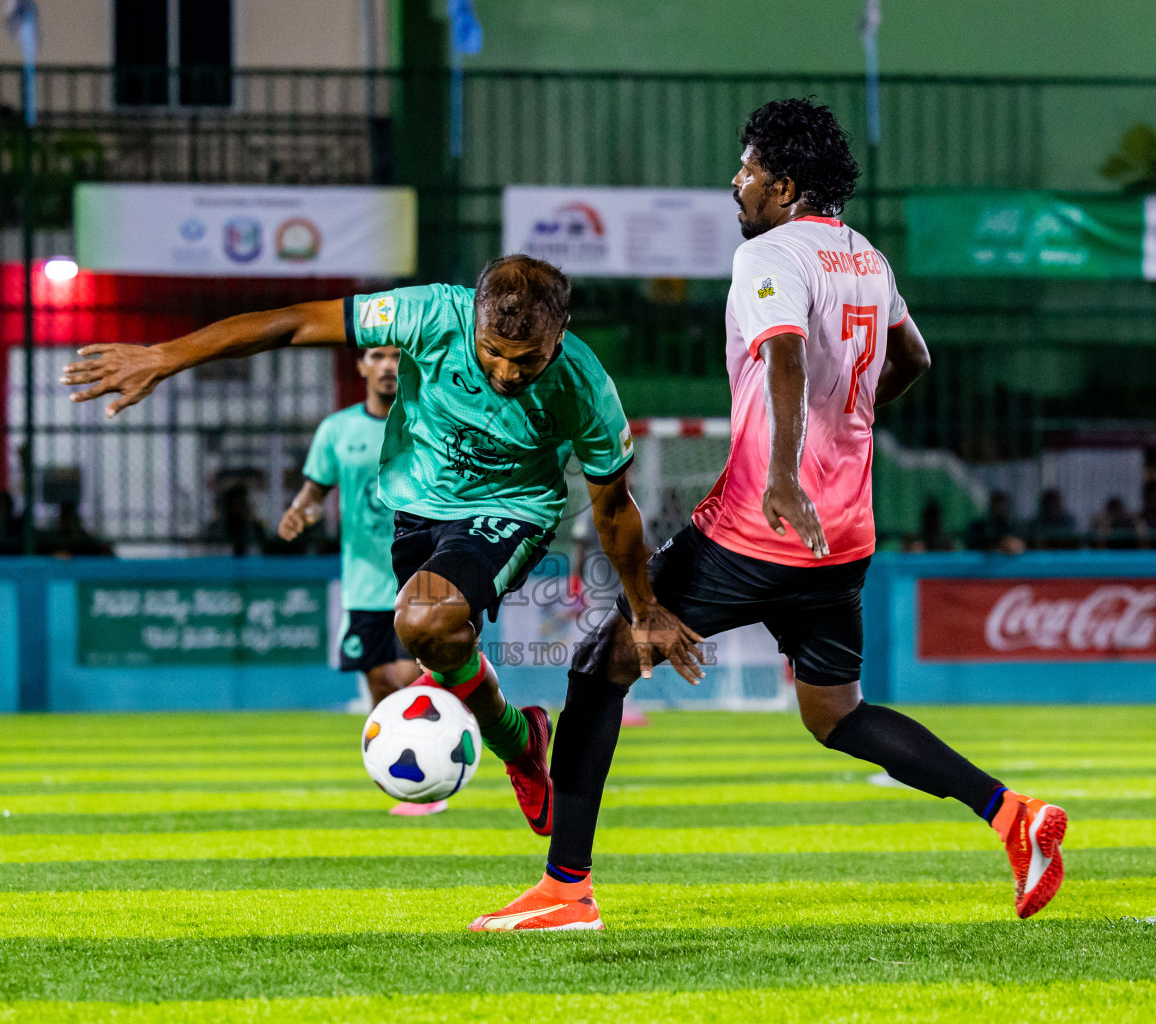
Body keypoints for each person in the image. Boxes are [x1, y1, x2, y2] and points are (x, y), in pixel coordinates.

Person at [471, 100, 1066, 932]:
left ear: (784, 186)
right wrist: (844, 423)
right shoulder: (867, 258)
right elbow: (913, 359)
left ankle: (566, 888)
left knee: (597, 667)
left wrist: (785, 472)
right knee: (837, 715)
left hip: (755, 528)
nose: (735, 181)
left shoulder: (771, 255)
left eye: (747, 168)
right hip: (843, 538)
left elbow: (784, 352)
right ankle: (1013, 816)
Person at [60, 254, 702, 835]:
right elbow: (293, 324)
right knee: (438, 642)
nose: (507, 372)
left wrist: (643, 607)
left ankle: (515, 743)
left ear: (558, 337)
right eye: (492, 352)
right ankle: (521, 740)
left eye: (527, 358)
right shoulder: (428, 314)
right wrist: (166, 357)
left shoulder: (586, 387)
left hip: (510, 512)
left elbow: (613, 507)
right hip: (413, 504)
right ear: (472, 318)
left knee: (425, 621)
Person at [277, 344, 438, 815]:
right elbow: (316, 488)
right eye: (377, 355)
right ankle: (403, 780)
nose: (388, 365)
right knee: (381, 687)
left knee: (408, 679)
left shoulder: (425, 424)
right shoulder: (337, 430)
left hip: (417, 578)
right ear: (362, 367)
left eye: (396, 356)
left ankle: (428, 784)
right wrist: (299, 511)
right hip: (363, 583)